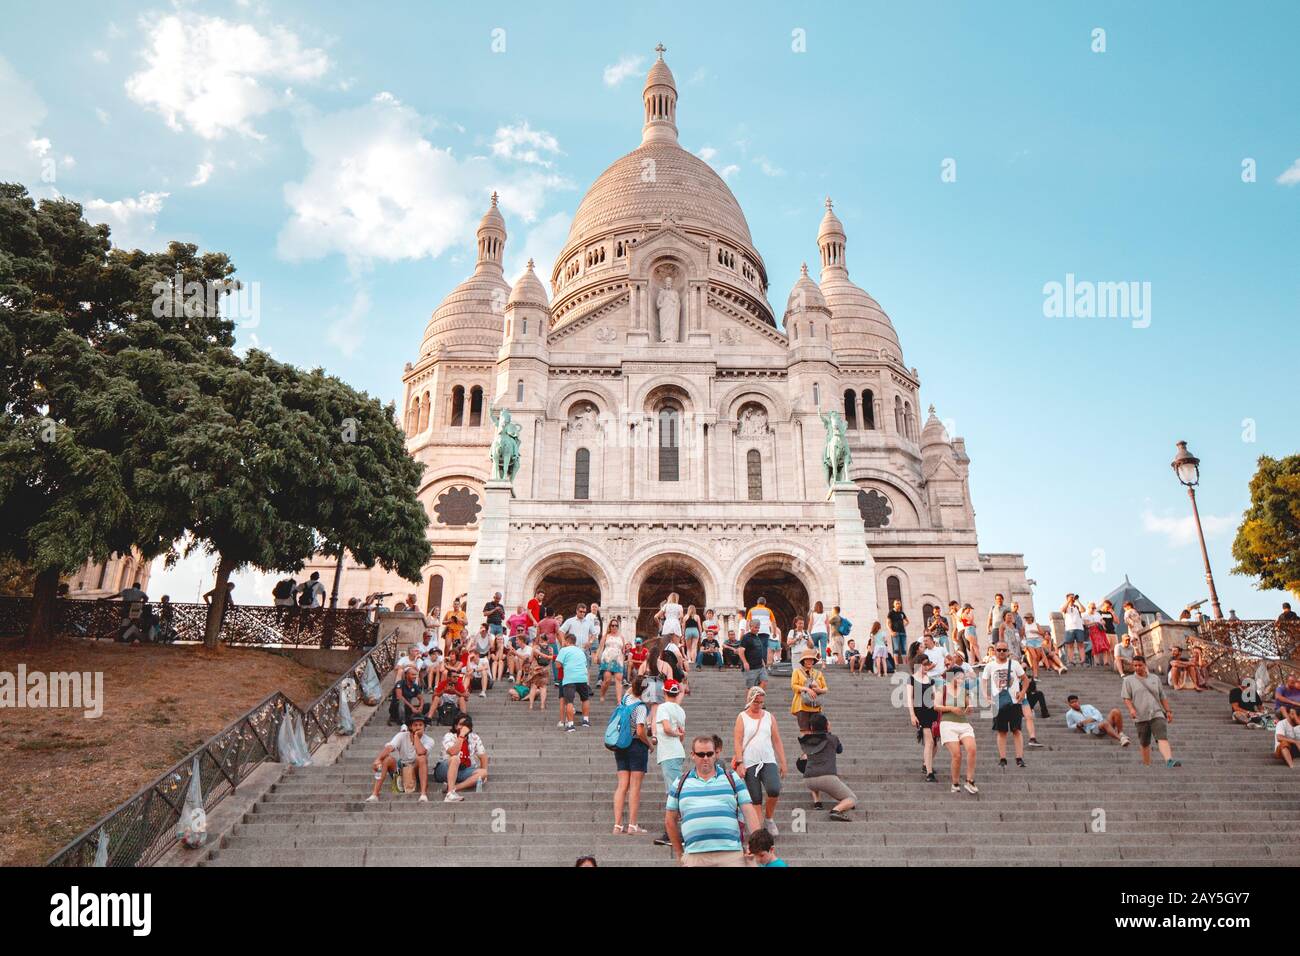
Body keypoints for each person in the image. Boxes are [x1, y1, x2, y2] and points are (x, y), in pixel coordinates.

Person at [665, 735, 761, 867]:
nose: (705, 758)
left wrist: (755, 844)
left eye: (709, 754)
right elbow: (670, 820)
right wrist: (679, 852)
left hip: (731, 854)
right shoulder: (680, 782)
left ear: (715, 754)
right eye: (701, 754)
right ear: (692, 755)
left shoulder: (732, 778)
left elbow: (749, 811)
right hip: (694, 855)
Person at [732, 686, 787, 835]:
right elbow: (737, 741)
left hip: (768, 759)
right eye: (756, 702)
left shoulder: (769, 716)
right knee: (755, 797)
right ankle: (758, 832)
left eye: (761, 702)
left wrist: (783, 761)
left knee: (774, 789)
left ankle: (769, 817)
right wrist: (740, 762)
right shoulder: (742, 717)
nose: (759, 705)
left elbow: (776, 740)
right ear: (750, 701)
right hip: (750, 761)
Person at [611, 674, 652, 834]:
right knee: (635, 787)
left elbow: (631, 689)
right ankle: (632, 825)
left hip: (620, 744)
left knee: (622, 786)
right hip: (636, 745)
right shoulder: (641, 707)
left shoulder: (625, 700)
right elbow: (640, 730)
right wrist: (649, 744)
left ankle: (617, 825)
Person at [1122, 656, 1181, 767]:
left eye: (1140, 665)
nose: (1137, 667)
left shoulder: (1154, 678)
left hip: (1156, 712)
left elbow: (1162, 696)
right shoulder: (1128, 680)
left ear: (1145, 665)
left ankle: (1169, 760)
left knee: (1162, 736)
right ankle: (1147, 765)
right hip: (1140, 715)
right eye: (1135, 665)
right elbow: (1126, 698)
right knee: (1144, 742)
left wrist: (1168, 711)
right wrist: (1131, 710)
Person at [798, 712, 856, 819]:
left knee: (814, 768)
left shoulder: (806, 740)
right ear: (826, 725)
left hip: (808, 780)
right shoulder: (833, 738)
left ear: (811, 727)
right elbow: (840, 750)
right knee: (852, 798)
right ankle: (836, 810)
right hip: (827, 778)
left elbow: (802, 759)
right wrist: (829, 732)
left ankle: (817, 802)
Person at [981, 640, 1029, 769]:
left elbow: (1025, 679)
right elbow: (984, 681)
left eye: (1004, 650)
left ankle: (1019, 757)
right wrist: (986, 696)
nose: (1001, 652)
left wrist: (1023, 692)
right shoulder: (990, 665)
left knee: (1017, 730)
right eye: (999, 650)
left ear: (1008, 651)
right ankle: (1003, 758)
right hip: (998, 702)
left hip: (1014, 701)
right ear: (994, 651)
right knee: (1001, 731)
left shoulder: (1014, 664)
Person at [652, 679, 688, 846]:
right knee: (674, 791)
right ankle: (673, 830)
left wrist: (671, 733)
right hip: (676, 751)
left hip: (669, 753)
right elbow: (682, 735)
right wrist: (676, 734)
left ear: (664, 692)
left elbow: (667, 728)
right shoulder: (680, 710)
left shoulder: (663, 708)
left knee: (674, 793)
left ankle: (673, 832)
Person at [367, 714, 434, 802]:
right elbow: (390, 747)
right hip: (402, 769)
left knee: (422, 758)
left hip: (416, 770)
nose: (418, 727)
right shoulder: (402, 736)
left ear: (424, 727)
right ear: (410, 726)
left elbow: (421, 752)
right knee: (387, 759)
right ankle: (375, 794)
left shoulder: (429, 740)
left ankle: (423, 794)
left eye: (421, 725)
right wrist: (378, 759)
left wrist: (416, 737)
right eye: (415, 725)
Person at [934, 664, 979, 794]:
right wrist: (952, 708)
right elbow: (936, 706)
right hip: (947, 723)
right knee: (957, 755)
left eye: (962, 678)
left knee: (972, 749)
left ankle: (970, 781)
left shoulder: (963, 690)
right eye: (958, 677)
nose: (960, 680)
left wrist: (969, 708)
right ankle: (955, 783)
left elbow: (968, 705)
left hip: (963, 723)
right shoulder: (941, 689)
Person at [436, 714, 488, 801]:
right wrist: (461, 735)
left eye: (466, 725)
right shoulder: (449, 736)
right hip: (445, 768)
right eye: (461, 724)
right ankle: (449, 795)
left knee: (483, 772)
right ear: (455, 726)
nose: (463, 727)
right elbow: (453, 752)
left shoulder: (474, 737)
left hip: (463, 769)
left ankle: (453, 788)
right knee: (455, 758)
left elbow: (483, 756)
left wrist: (484, 777)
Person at [906, 651, 939, 782]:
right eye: (925, 664)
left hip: (932, 712)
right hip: (920, 712)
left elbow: (935, 697)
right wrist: (912, 715)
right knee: (929, 741)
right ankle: (929, 773)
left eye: (928, 664)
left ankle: (926, 764)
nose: (927, 667)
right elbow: (909, 698)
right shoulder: (912, 679)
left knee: (935, 743)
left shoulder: (930, 680)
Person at [556, 633, 591, 732]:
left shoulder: (564, 650)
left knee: (569, 701)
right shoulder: (581, 651)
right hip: (582, 678)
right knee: (585, 699)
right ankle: (585, 720)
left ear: (567, 641)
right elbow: (585, 664)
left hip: (569, 678)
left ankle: (571, 725)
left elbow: (558, 665)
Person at [1065, 694, 1131, 746]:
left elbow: (1098, 715)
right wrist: (1077, 725)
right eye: (1072, 702)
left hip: (1101, 723)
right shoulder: (1069, 714)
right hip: (1092, 729)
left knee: (1115, 711)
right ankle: (1121, 739)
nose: (1075, 703)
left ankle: (1121, 733)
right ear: (1069, 704)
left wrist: (1090, 720)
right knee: (1104, 723)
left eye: (1076, 701)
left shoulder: (1088, 706)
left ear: (1078, 701)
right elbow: (1070, 725)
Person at [790, 649, 828, 732]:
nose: (809, 661)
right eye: (807, 659)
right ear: (803, 661)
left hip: (816, 706)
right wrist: (807, 689)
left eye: (811, 659)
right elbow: (794, 686)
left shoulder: (818, 673)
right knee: (805, 731)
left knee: (818, 731)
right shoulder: (797, 672)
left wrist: (819, 690)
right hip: (801, 706)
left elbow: (825, 688)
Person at [597, 618, 628, 702]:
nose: (614, 627)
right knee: (607, 680)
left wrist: (625, 655)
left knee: (619, 680)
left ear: (618, 627)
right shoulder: (606, 635)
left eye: (616, 625)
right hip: (607, 659)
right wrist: (597, 656)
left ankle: (619, 701)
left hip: (618, 660)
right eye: (612, 625)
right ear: (610, 626)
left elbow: (623, 649)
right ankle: (602, 694)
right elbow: (600, 647)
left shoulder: (621, 637)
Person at [746, 596, 778, 662]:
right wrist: (774, 632)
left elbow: (748, 621)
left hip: (754, 631)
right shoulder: (768, 610)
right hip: (765, 631)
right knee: (764, 648)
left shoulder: (751, 610)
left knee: (754, 647)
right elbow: (773, 622)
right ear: (765, 603)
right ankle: (763, 663)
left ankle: (755, 662)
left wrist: (748, 630)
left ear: (757, 602)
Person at [739, 618, 768, 691]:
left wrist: (762, 661)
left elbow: (757, 650)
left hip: (760, 666)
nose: (757, 629)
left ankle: (756, 698)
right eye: (755, 627)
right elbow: (740, 651)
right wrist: (745, 662)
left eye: (758, 627)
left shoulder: (757, 637)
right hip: (751, 667)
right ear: (750, 626)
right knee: (751, 688)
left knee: (764, 681)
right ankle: (751, 701)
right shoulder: (746, 637)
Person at [1061, 593, 1087, 666]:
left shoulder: (1077, 607)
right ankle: (1071, 661)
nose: (1072, 598)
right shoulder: (1066, 606)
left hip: (1079, 627)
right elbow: (1062, 609)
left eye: (1073, 596)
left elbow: (1084, 610)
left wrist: (1077, 601)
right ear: (1067, 598)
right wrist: (1068, 601)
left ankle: (1083, 661)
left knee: (1081, 645)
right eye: (1071, 597)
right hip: (1069, 628)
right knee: (1070, 645)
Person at [887, 599, 909, 666]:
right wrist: (891, 631)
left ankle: (905, 664)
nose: (898, 605)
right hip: (895, 633)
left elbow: (907, 621)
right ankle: (896, 664)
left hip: (903, 632)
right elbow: (888, 623)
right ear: (894, 604)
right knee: (896, 649)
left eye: (899, 603)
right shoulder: (891, 613)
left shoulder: (902, 613)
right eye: (896, 603)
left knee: (904, 649)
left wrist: (903, 625)